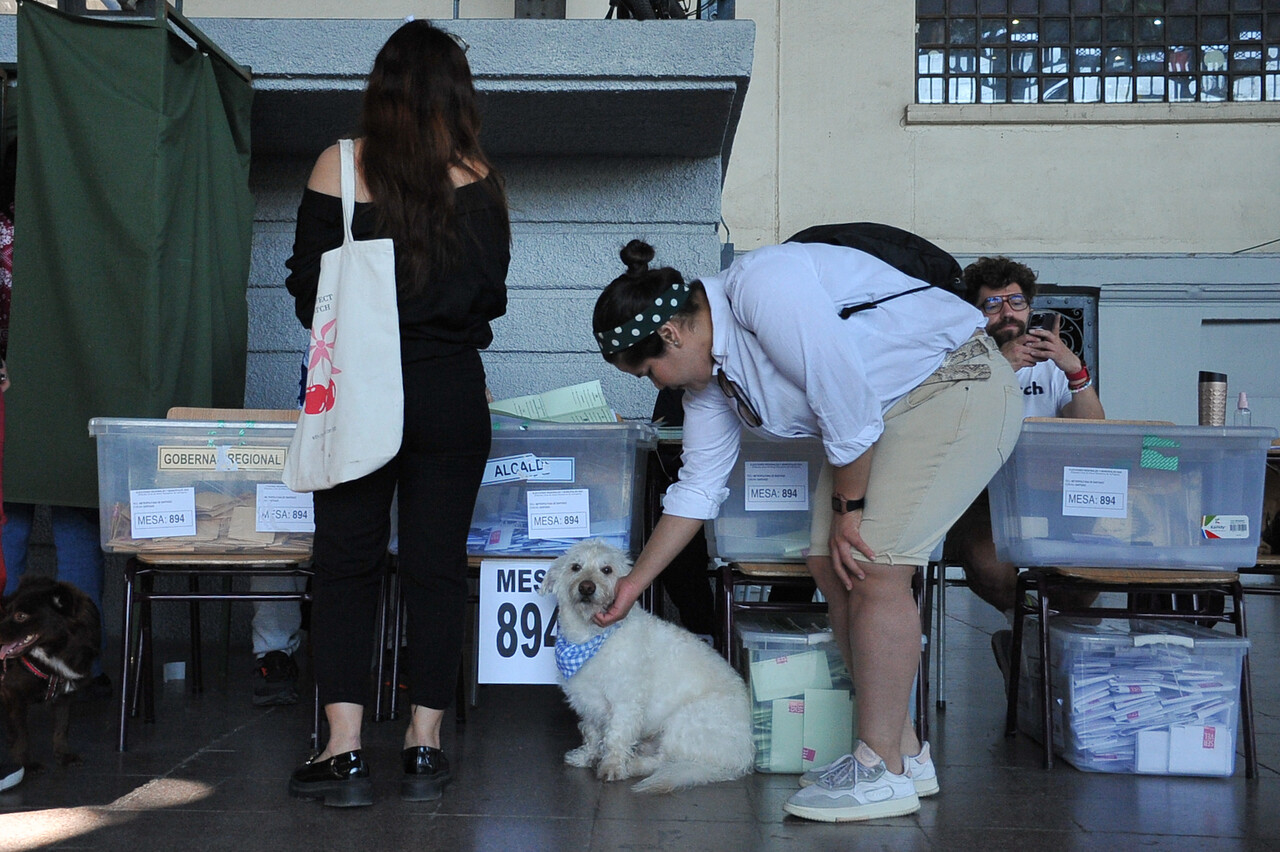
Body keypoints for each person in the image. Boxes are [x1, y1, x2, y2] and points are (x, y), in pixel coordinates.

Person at [592, 239, 1021, 822]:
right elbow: (695, 492)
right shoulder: (711, 384)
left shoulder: (761, 287)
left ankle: (879, 771)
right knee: (827, 561)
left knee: (874, 563)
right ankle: (905, 753)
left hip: (953, 383)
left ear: (671, 334)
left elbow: (844, 400)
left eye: (647, 370)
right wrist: (634, 586)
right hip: (886, 412)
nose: (655, 384)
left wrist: (851, 510)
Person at [284, 20, 509, 808]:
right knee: (436, 569)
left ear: (379, 89)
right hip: (449, 391)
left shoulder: (338, 168)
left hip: (356, 392)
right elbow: (490, 299)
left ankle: (343, 750)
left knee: (345, 565)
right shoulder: (478, 176)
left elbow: (306, 291)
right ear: (458, 94)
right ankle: (423, 744)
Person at [943, 256, 1104, 675]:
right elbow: (950, 429)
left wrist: (1075, 371)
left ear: (1030, 307)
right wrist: (999, 368)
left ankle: (1034, 643)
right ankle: (1040, 638)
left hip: (1049, 495)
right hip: (979, 497)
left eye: (1015, 301)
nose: (1007, 312)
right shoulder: (957, 360)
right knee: (986, 562)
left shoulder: (1052, 365)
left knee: (1094, 564)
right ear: (977, 315)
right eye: (992, 304)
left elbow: (1093, 434)